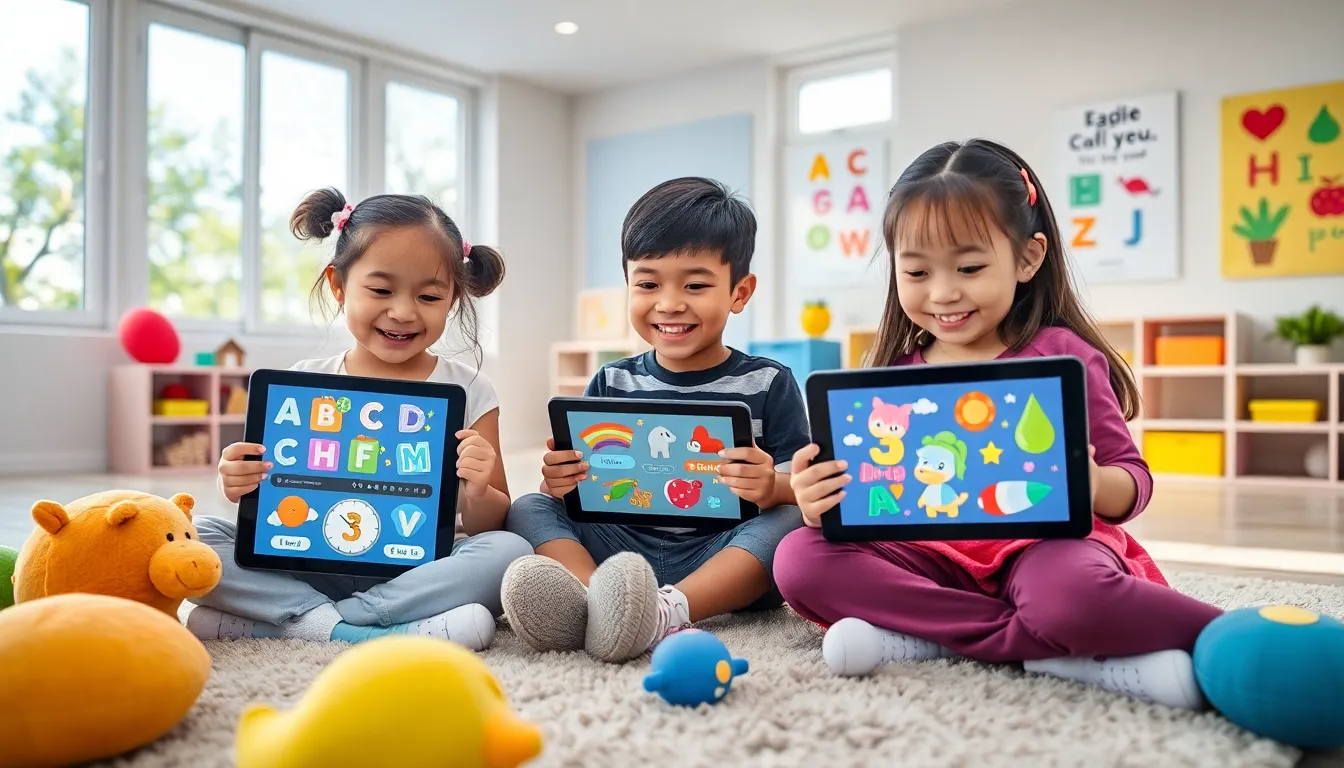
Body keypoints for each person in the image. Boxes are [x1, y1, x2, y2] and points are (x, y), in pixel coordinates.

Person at [774, 139, 1222, 710]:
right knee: (800, 558)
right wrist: (819, 502)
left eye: (969, 267)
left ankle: (931, 641)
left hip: (1043, 550)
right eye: (916, 270)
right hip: (929, 558)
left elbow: (1132, 480)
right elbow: (861, 493)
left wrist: (1094, 483)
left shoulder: (1061, 355)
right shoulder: (891, 376)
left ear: (1028, 259)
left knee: (1071, 599)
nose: (943, 293)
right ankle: (1053, 653)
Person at [185, 188, 533, 649]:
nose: (404, 312)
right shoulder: (303, 383)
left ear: (452, 299)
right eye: (381, 290)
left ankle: (306, 622)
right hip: (306, 563)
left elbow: (491, 523)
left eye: (429, 296)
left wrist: (477, 487)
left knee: (512, 551)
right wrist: (236, 478)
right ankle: (360, 629)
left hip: (415, 569)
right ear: (338, 285)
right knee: (192, 536)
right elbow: (263, 502)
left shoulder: (472, 389)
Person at [500, 177, 807, 663]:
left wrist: (772, 486)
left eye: (696, 285)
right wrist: (559, 482)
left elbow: (802, 485)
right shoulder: (612, 380)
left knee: (791, 522)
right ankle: (595, 598)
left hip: (721, 552)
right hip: (619, 549)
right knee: (528, 508)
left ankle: (669, 610)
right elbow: (577, 484)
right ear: (628, 285)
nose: (668, 303)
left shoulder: (769, 382)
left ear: (739, 292)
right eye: (647, 283)